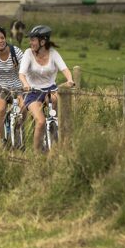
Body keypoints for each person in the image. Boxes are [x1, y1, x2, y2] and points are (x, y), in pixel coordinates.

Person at [18, 24, 74, 152]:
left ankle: (54, 133)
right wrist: (26, 84)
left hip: (50, 89)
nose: (30, 42)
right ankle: (37, 154)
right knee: (41, 121)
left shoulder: (53, 53)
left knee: (55, 107)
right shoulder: (28, 53)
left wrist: (70, 79)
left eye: (33, 40)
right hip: (32, 91)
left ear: (42, 41)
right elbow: (21, 73)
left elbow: (64, 69)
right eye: (30, 39)